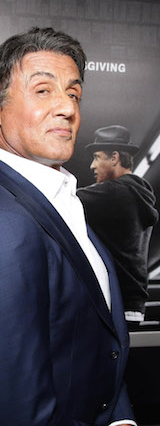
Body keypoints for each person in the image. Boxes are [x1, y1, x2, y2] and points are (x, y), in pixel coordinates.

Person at [0, 27, 137, 426]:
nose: (67, 107)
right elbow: (17, 416)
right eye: (43, 89)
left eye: (74, 93)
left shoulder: (58, 196)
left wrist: (122, 423)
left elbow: (98, 339)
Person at [77, 125, 158, 324]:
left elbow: (61, 199)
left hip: (114, 303)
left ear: (114, 157)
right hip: (134, 306)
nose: (92, 166)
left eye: (97, 157)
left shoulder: (113, 193)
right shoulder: (139, 194)